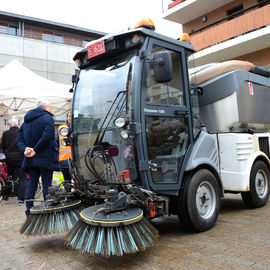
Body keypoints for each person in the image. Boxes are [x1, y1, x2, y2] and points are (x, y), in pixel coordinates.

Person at [17, 99, 59, 217]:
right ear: (45, 107)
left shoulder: (26, 122)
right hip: (45, 157)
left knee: (32, 184)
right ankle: (47, 209)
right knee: (47, 184)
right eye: (50, 106)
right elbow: (47, 136)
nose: (51, 109)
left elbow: (19, 139)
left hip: (30, 159)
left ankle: (29, 211)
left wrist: (25, 149)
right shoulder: (48, 118)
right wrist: (35, 150)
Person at [0, 117, 27, 205]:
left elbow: (3, 147)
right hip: (20, 158)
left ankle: (8, 195)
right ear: (18, 124)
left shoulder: (5, 134)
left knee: (10, 177)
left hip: (9, 158)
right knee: (22, 178)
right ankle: (21, 199)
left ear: (10, 124)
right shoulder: (22, 132)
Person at [56, 111, 72, 191]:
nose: (70, 117)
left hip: (75, 160)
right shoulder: (61, 128)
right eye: (69, 116)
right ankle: (69, 198)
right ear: (67, 117)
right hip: (64, 159)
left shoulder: (77, 128)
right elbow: (56, 142)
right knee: (67, 181)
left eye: (71, 116)